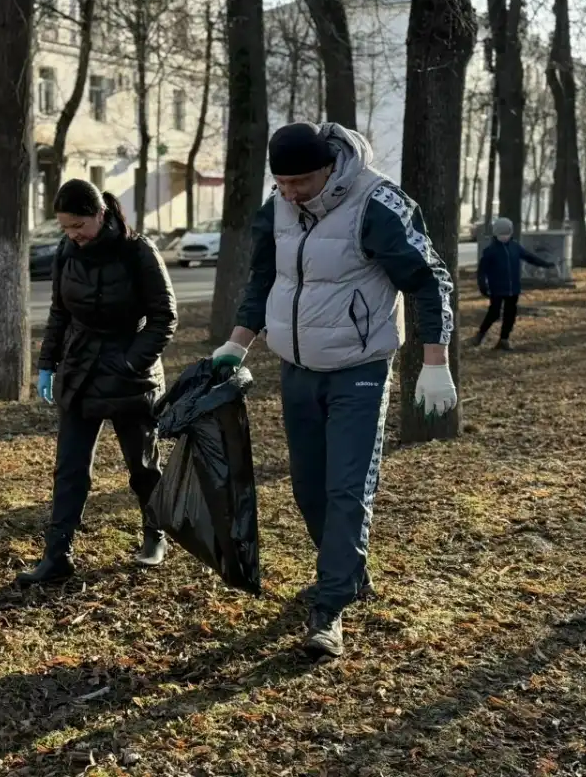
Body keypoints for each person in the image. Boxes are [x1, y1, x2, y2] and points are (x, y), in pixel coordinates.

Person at [211, 121, 457, 658]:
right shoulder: (276, 206)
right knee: (309, 488)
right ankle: (349, 571)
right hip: (298, 368)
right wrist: (237, 343)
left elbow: (429, 277)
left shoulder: (377, 202)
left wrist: (434, 361)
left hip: (359, 368)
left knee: (347, 487)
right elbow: (263, 279)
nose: (292, 193)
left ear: (329, 166)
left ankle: (330, 606)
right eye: (282, 182)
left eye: (302, 181)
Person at [20, 179, 178, 586]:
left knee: (142, 466)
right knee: (70, 468)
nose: (73, 236)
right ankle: (57, 555)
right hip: (80, 370)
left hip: (130, 375)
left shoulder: (138, 251)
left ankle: (155, 534)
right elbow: (59, 312)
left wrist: (130, 362)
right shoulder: (67, 252)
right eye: (65, 228)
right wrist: (47, 364)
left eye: (78, 226)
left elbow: (164, 317)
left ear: (100, 215)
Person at [472, 216, 557, 350]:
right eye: (501, 233)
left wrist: (545, 264)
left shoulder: (515, 247)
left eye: (507, 233)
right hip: (497, 288)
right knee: (494, 313)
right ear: (496, 234)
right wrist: (483, 286)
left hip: (513, 288)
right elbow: (482, 271)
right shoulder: (490, 251)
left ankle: (504, 339)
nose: (504, 236)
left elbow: (530, 257)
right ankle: (480, 334)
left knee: (510, 314)